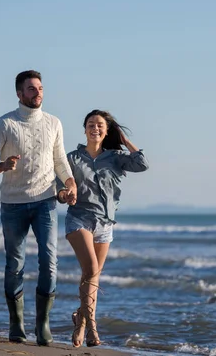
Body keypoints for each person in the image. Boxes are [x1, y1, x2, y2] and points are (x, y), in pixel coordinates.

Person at [0, 70, 77, 346]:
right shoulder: (5, 124)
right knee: (15, 265)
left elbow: (59, 160)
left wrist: (70, 182)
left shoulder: (54, 123)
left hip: (45, 201)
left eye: (40, 88)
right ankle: (16, 323)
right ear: (19, 93)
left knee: (50, 262)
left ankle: (42, 324)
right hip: (12, 204)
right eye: (31, 89)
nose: (38, 93)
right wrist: (0, 165)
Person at [57, 109, 149, 348]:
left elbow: (142, 164)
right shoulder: (72, 158)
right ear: (84, 129)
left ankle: (81, 321)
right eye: (90, 124)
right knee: (92, 269)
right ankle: (92, 328)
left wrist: (124, 139)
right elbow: (58, 187)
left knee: (93, 277)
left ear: (107, 131)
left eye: (100, 125)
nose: (95, 128)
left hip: (106, 224)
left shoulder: (116, 157)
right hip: (79, 219)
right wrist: (65, 194)